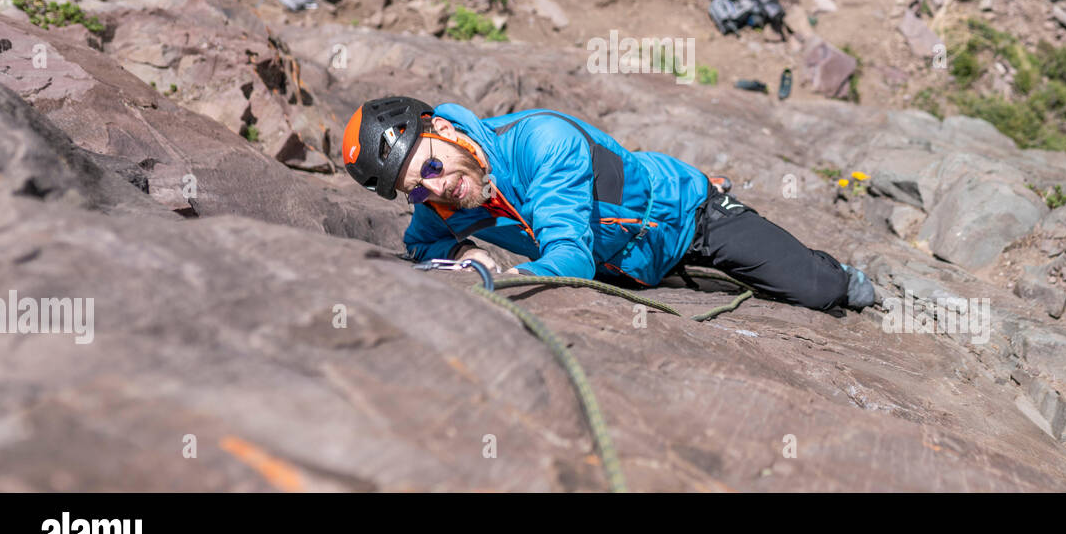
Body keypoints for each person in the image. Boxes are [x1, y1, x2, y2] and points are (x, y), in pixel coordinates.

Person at [341, 96, 876, 312]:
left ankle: (844, 274)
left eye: (431, 168)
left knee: (817, 290)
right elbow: (423, 244)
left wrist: (496, 272)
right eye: (416, 189)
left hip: (690, 218)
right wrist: (457, 254)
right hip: (622, 267)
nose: (436, 190)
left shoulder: (541, 140)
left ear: (444, 130)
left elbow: (568, 256)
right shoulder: (444, 200)